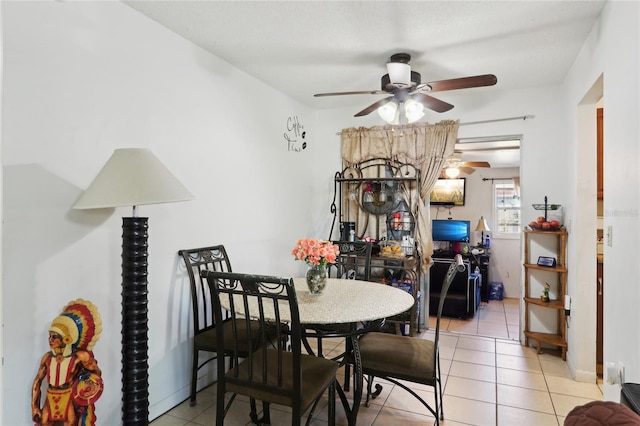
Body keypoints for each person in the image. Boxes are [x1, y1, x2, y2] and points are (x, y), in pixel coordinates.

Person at [32, 299, 103, 426]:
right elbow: (37, 381)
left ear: (66, 338)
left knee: (70, 423)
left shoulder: (80, 356)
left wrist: (85, 385)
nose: (50, 340)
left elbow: (96, 375)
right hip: (51, 397)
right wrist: (35, 407)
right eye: (49, 336)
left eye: (54, 337)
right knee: (44, 423)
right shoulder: (47, 358)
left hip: (69, 398)